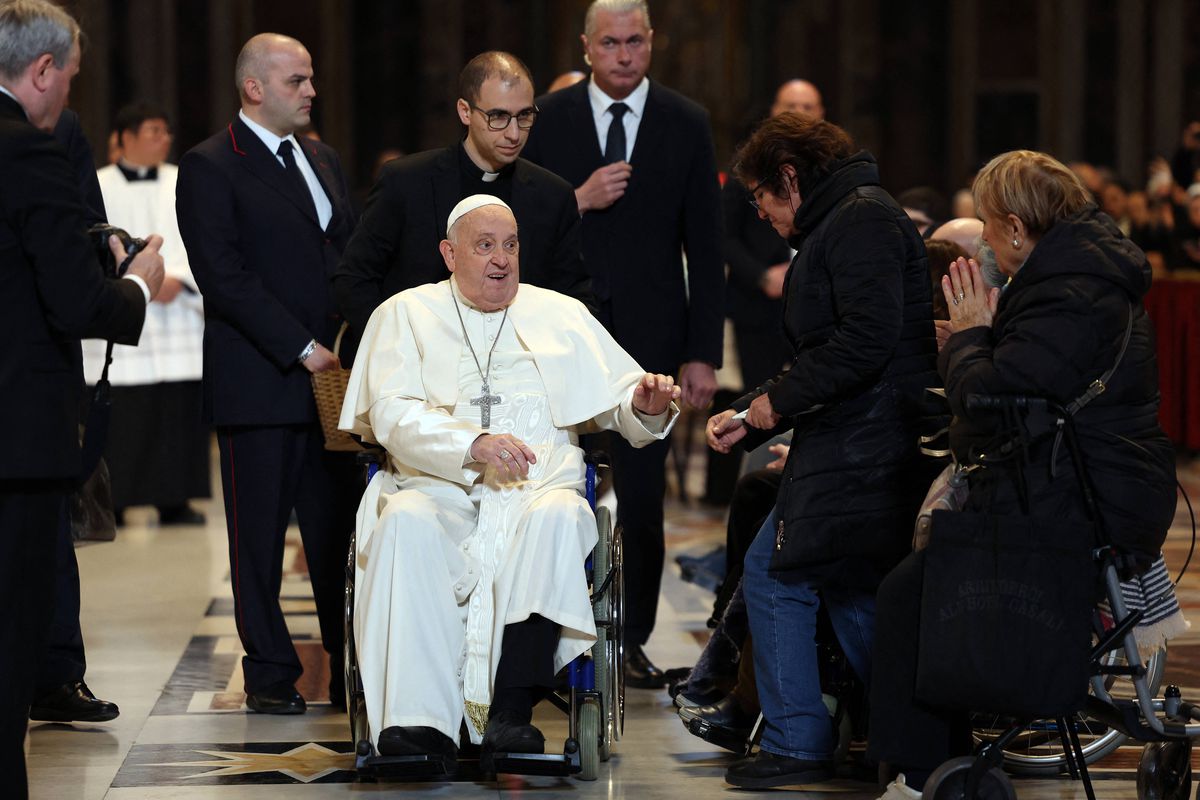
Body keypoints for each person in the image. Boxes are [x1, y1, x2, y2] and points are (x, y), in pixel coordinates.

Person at [867, 151, 1177, 800]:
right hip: (1066, 487)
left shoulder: (1070, 293)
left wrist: (971, 340)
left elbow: (989, 404)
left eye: (984, 225)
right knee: (912, 579)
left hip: (1086, 507)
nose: (981, 244)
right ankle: (931, 761)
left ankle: (923, 774)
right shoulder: (1071, 276)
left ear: (1014, 227)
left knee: (911, 594)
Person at [339, 194, 680, 769]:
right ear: (449, 253)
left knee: (562, 516)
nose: (502, 259)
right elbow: (392, 413)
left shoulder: (561, 313)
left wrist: (644, 404)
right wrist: (470, 445)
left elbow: (622, 398)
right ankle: (418, 723)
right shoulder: (405, 313)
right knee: (403, 523)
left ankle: (512, 711)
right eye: (485, 245)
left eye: (512, 245)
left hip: (534, 488)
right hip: (437, 487)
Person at [705, 114, 938, 788]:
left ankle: (798, 742)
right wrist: (751, 418)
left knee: (777, 574)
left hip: (866, 441)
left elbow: (865, 341)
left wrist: (769, 408)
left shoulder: (860, 220)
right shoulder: (847, 218)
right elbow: (826, 350)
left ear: (789, 178)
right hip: (856, 436)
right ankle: (911, 729)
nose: (762, 215)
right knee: (850, 590)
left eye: (762, 198)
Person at [521, 0, 725, 687]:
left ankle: (630, 640)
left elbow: (707, 241)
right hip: (560, 330)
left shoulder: (685, 120)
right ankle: (550, 637)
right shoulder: (549, 120)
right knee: (553, 486)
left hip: (652, 337)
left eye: (634, 41)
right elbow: (518, 221)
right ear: (586, 46)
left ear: (651, 42)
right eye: (609, 43)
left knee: (642, 497)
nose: (623, 55)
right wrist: (576, 198)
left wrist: (702, 351)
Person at [0, 1, 165, 794]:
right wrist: (135, 284)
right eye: (66, 76)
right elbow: (77, 305)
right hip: (14, 438)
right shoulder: (26, 154)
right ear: (40, 71)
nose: (67, 91)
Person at [176, 32, 360, 716]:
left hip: (332, 380)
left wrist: (350, 338)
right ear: (254, 88)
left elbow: (342, 249)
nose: (311, 90)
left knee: (338, 530)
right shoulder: (210, 164)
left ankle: (350, 663)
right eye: (297, 80)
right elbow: (223, 277)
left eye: (312, 78)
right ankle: (270, 671)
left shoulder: (323, 156)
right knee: (257, 537)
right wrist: (300, 345)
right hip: (260, 377)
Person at [333, 51, 591, 361]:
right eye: (498, 116)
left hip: (520, 375)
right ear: (465, 111)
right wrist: (397, 350)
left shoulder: (553, 195)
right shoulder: (406, 182)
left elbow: (574, 298)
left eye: (524, 116)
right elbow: (354, 280)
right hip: (419, 370)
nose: (513, 133)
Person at [26, 109, 123, 728]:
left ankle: (58, 674)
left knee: (48, 526)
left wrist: (109, 247)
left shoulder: (58, 125)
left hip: (38, 355)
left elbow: (85, 217)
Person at [82, 102, 209, 527]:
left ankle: (176, 500)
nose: (163, 138)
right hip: (125, 306)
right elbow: (89, 243)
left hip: (178, 310)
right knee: (126, 416)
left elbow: (207, 238)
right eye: (153, 130)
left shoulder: (185, 179)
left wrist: (181, 279)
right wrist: (135, 277)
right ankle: (115, 502)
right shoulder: (98, 184)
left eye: (165, 131)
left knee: (175, 412)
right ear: (125, 138)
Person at [724, 79, 825, 395]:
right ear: (773, 113)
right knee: (759, 396)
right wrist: (762, 276)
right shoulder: (747, 167)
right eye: (789, 106)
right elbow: (722, 235)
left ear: (821, 115)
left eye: (806, 107)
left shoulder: (831, 169)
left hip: (819, 304)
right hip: (757, 306)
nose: (798, 113)